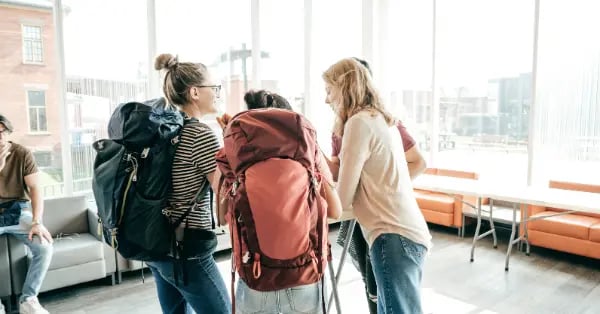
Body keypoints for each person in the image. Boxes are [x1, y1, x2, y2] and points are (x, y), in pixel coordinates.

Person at [323, 58, 432, 314]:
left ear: (344, 87)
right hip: (404, 234)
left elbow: (344, 198)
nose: (326, 100)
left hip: (391, 235)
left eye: (329, 91)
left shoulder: (358, 123)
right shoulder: (381, 120)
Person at [216, 92, 342, 314]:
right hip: (304, 274)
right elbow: (335, 211)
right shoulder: (307, 152)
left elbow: (221, 216)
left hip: (256, 275)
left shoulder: (232, 152)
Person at [149, 53, 231, 314]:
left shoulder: (164, 129)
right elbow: (224, 191)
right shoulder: (199, 133)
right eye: (214, 87)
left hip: (157, 242)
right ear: (195, 92)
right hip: (187, 248)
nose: (217, 93)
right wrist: (232, 142)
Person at [0, 115, 53, 314]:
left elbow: (35, 189)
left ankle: (28, 300)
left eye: (2, 132)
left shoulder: (22, 153)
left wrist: (37, 221)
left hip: (17, 210)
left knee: (44, 247)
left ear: (8, 133)